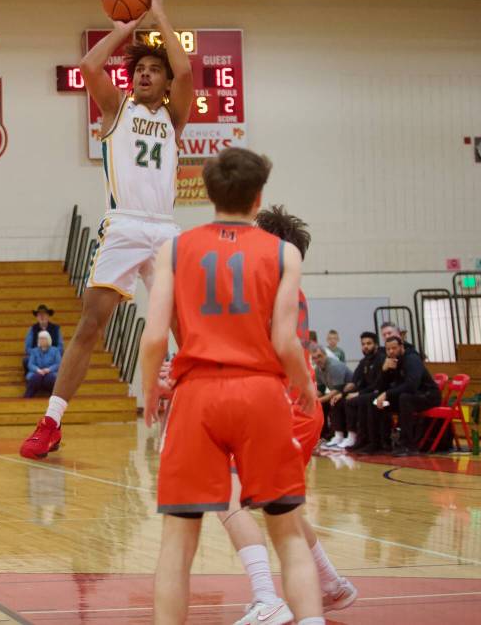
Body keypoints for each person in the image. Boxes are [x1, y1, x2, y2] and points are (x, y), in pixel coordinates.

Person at [140, 149, 325, 625]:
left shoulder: (174, 249)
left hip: (196, 395)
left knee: (177, 545)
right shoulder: (284, 252)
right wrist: (304, 386)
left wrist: (151, 391)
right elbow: (285, 341)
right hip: (261, 393)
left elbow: (155, 337)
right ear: (258, 195)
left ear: (207, 193)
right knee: (287, 535)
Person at [21, 0, 194, 460]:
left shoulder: (172, 118)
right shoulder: (116, 110)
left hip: (163, 229)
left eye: (154, 71)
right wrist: (127, 28)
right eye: (140, 70)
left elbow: (186, 74)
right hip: (123, 225)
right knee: (90, 324)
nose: (146, 76)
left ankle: (202, 415)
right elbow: (88, 66)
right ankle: (51, 422)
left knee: (187, 329)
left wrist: (159, 16)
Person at [198, 204, 355, 624]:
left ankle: (267, 597)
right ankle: (329, 582)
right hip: (301, 411)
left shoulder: (259, 282)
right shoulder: (290, 286)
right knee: (281, 508)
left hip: (275, 408)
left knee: (223, 493)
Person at [373, 336, 441, 456]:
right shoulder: (393, 362)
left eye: (394, 348)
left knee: (404, 399)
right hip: (412, 396)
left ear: (401, 347)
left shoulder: (412, 359)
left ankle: (408, 445)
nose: (391, 351)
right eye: (388, 349)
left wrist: (387, 394)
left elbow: (411, 386)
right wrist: (384, 370)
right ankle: (381, 441)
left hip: (428, 396)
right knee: (378, 402)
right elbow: (380, 388)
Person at [326, 331, 382, 451]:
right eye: (363, 344)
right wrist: (342, 393)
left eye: (369, 343)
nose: (365, 346)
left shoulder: (381, 359)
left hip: (379, 395)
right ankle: (339, 435)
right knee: (337, 400)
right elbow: (354, 382)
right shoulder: (364, 361)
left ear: (376, 345)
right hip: (365, 392)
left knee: (353, 401)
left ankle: (354, 437)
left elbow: (378, 385)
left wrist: (358, 393)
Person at [311, 345, 352, 440]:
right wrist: (311, 398)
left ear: (325, 355)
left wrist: (318, 400)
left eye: (320, 356)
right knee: (319, 404)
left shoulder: (334, 366)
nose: (317, 360)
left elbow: (338, 390)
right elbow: (320, 390)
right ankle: (323, 433)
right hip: (337, 392)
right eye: (314, 358)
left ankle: (339, 434)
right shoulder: (318, 369)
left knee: (331, 402)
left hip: (349, 391)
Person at [24, 304, 63, 372]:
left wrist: (52, 354)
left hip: (53, 358)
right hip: (36, 358)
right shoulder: (32, 329)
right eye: (39, 315)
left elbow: (60, 347)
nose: (42, 317)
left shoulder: (56, 329)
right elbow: (28, 348)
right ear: (37, 317)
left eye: (44, 314)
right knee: (26, 361)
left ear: (48, 316)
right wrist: (37, 354)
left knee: (61, 361)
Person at [24, 331, 62, 398]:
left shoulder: (55, 350)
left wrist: (49, 369)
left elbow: (58, 364)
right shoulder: (34, 351)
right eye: (40, 338)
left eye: (43, 338)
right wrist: (38, 370)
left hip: (51, 372)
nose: (41, 340)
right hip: (37, 372)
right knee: (36, 378)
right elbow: (30, 364)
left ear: (48, 339)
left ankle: (55, 398)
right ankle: (27, 398)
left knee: (50, 378)